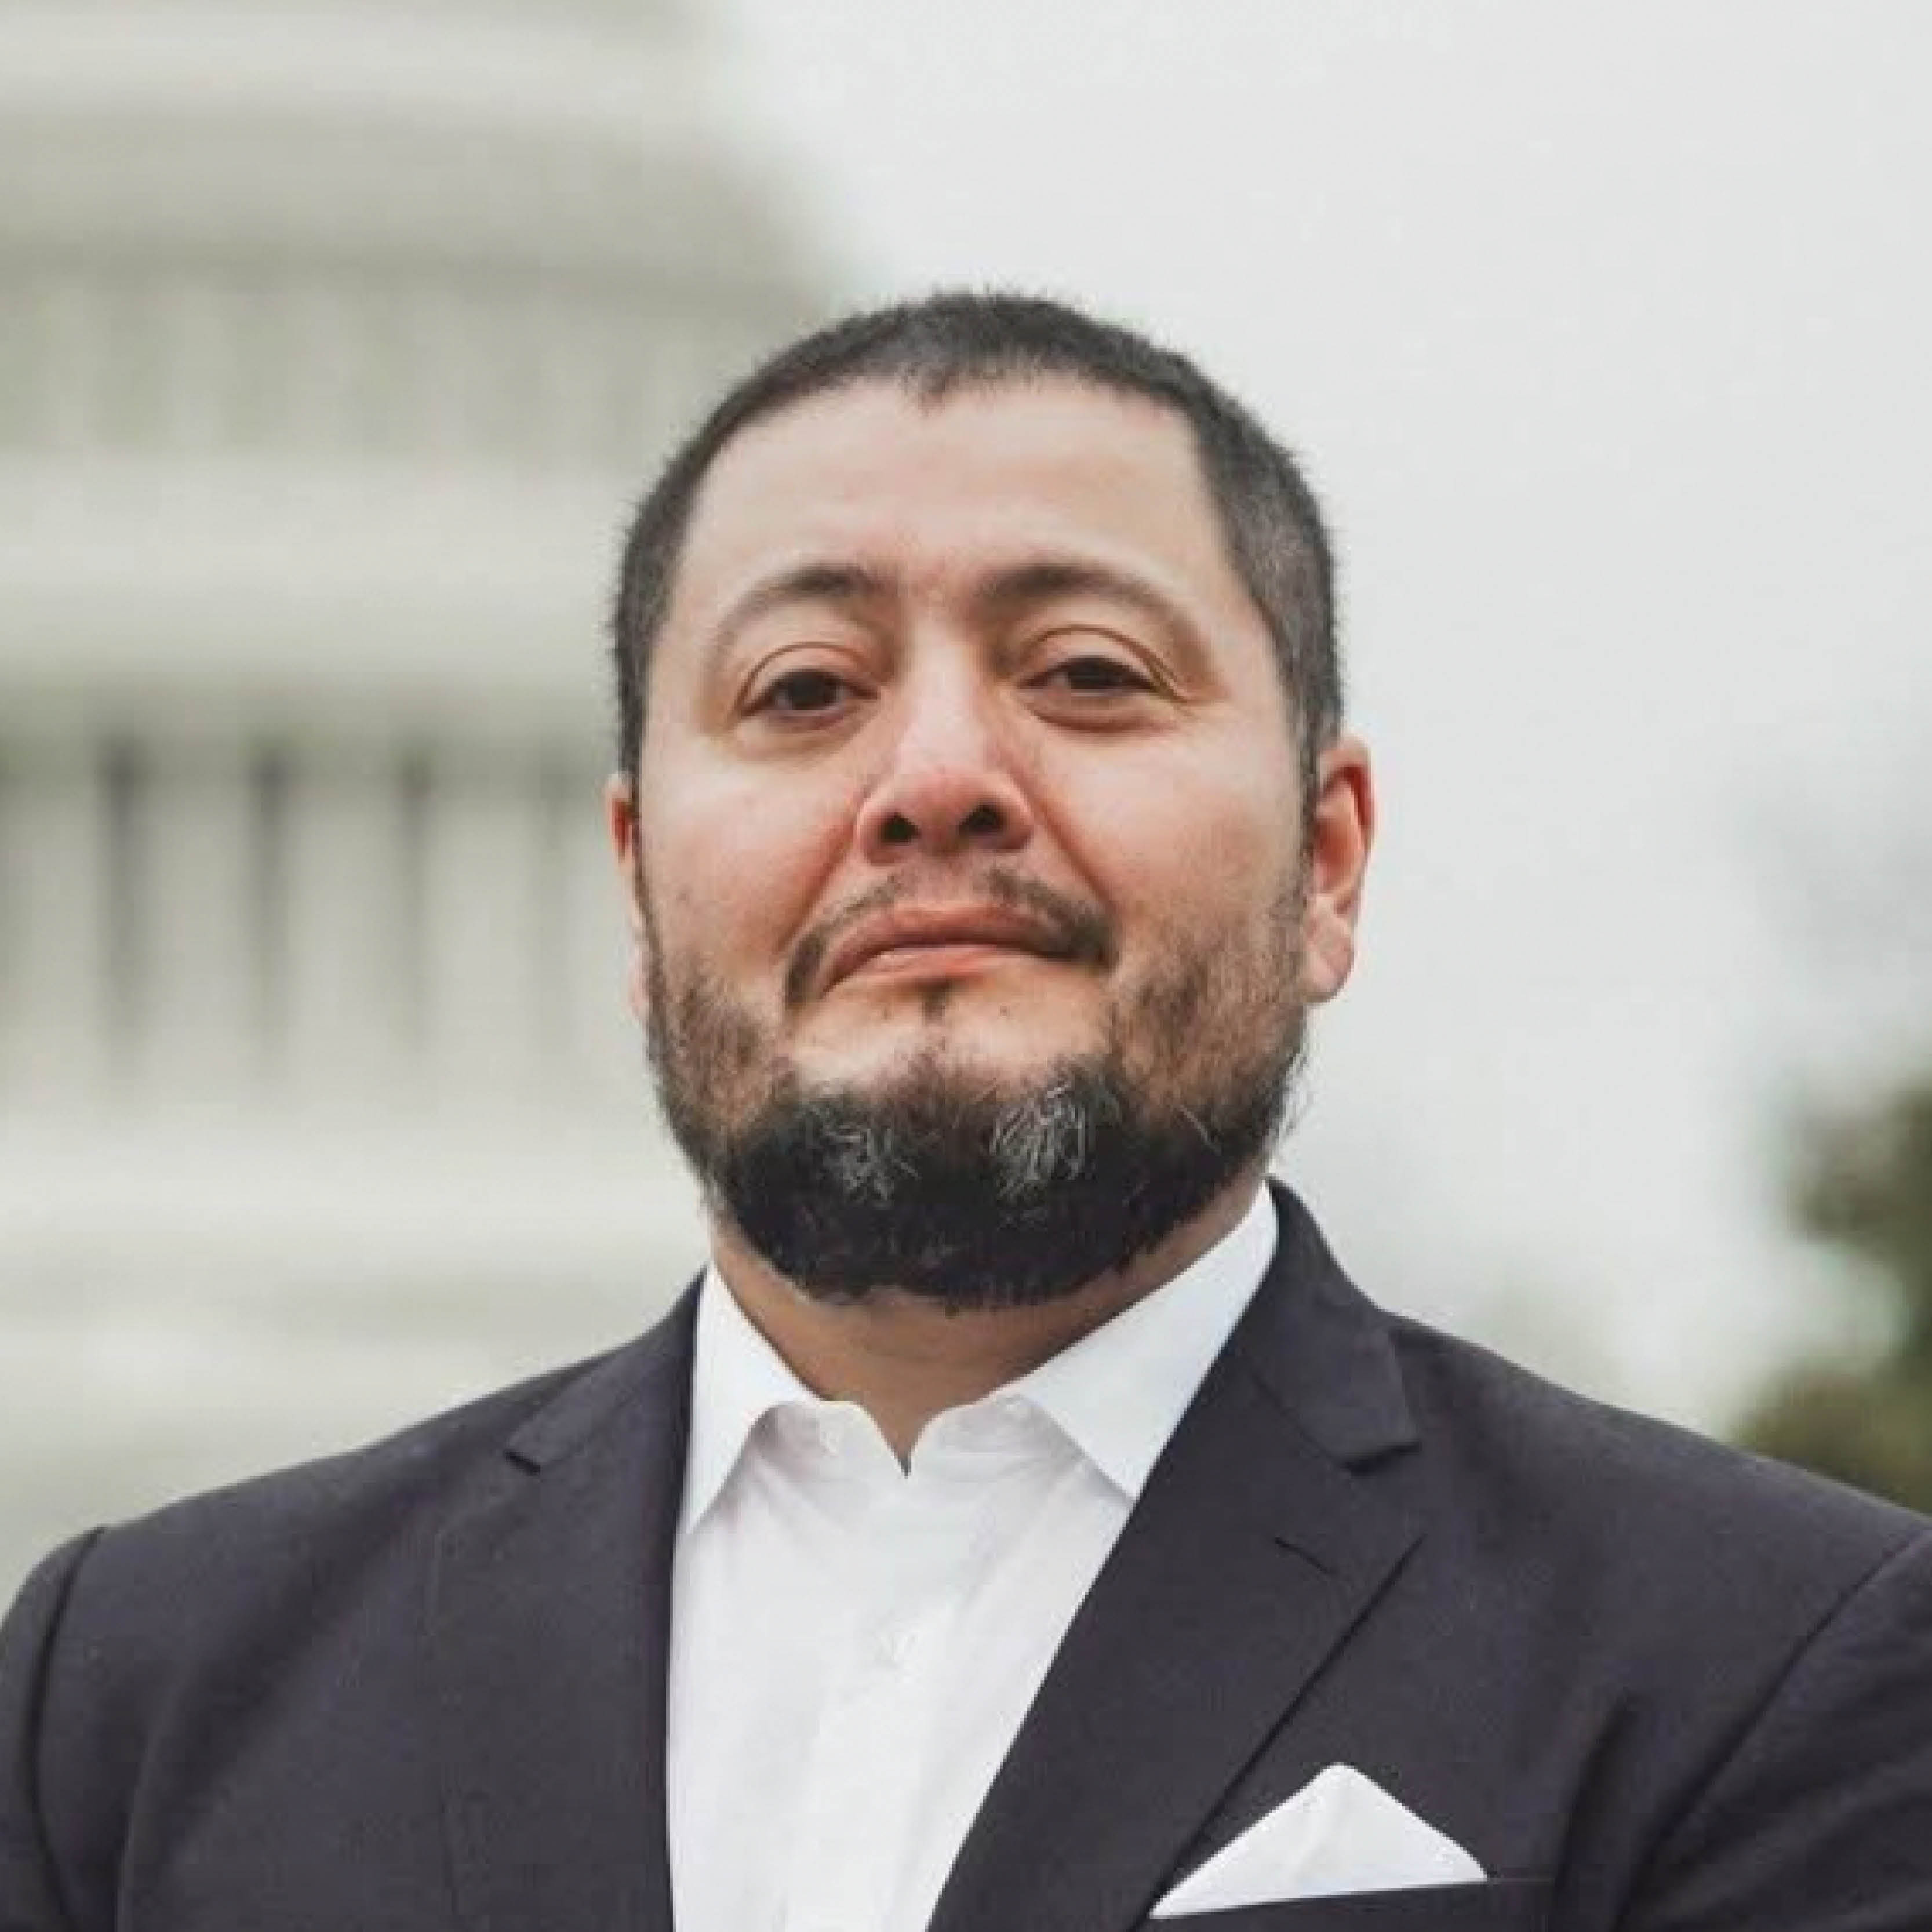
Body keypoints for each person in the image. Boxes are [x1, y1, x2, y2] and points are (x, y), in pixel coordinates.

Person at [3, 293, 1929, 1932]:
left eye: (1086, 674)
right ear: (637, 886)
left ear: (1329, 863)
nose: (934, 780)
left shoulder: (1764, 1667)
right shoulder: (144, 1705)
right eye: (803, 689)